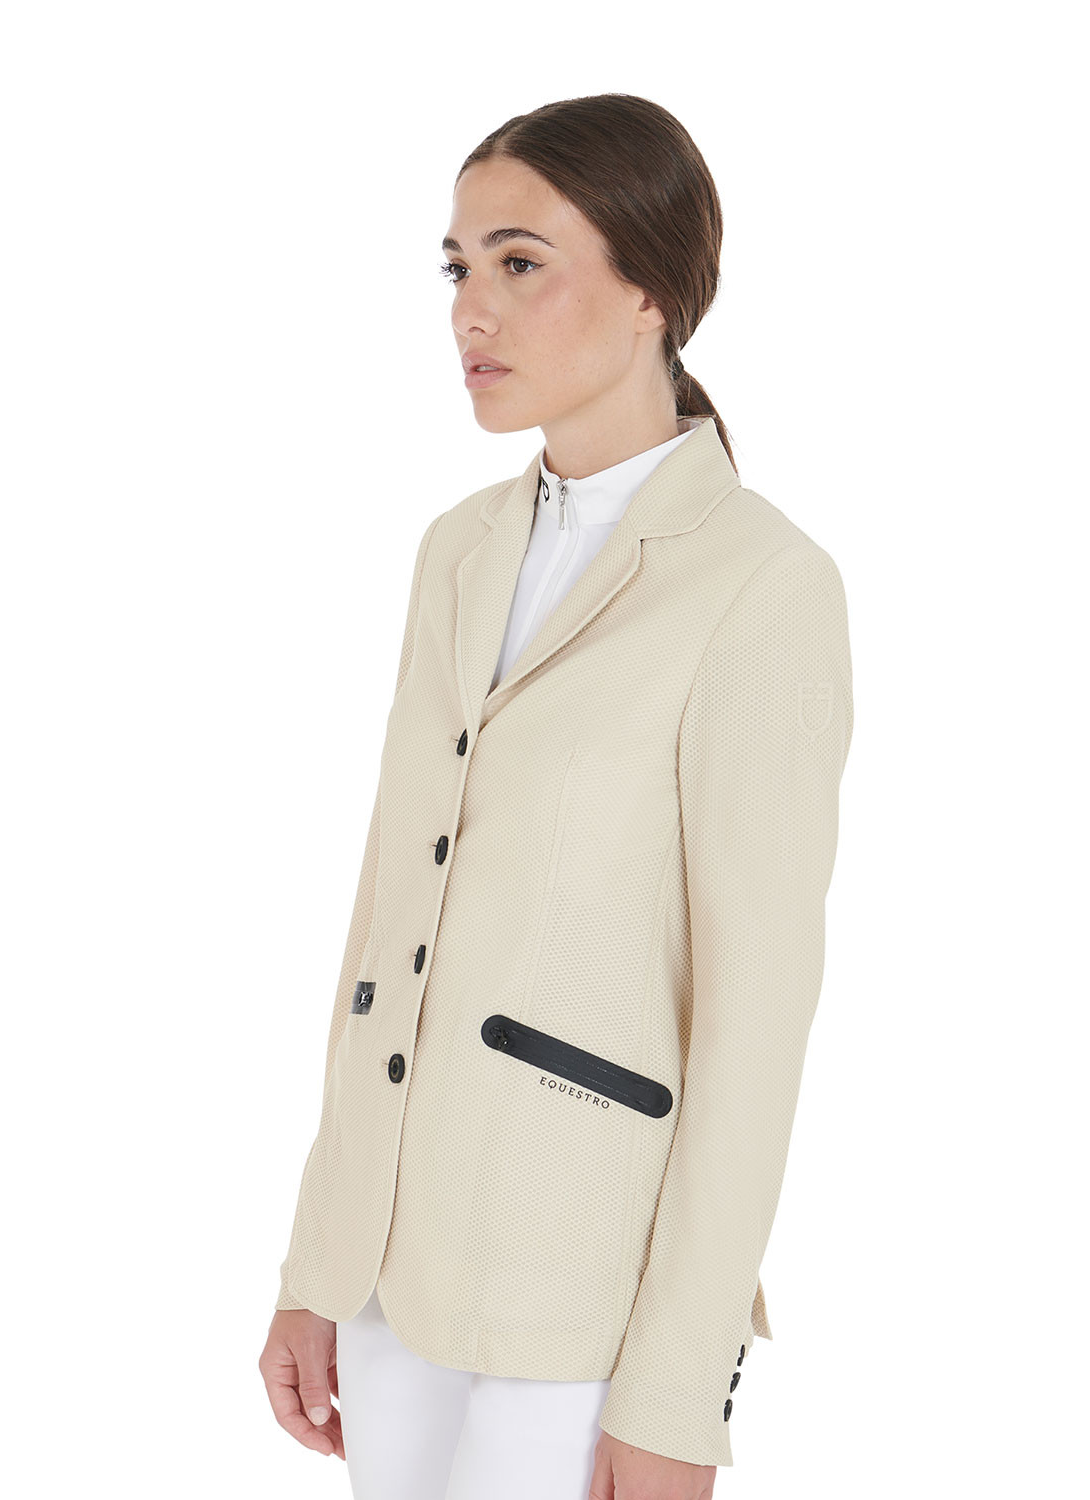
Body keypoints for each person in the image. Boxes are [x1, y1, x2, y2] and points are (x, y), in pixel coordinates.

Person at [259, 93, 854, 1500]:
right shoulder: (456, 553)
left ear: (652, 289)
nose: (472, 309)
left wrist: (681, 1393)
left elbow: (756, 1027)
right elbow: (386, 913)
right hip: (389, 1279)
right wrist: (314, 1265)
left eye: (521, 263)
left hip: (580, 1300)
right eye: (458, 266)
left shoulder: (762, 587)